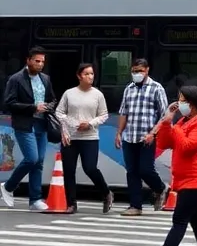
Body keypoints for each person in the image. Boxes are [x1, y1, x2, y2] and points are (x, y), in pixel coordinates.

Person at [138, 85, 197, 246]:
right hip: (184, 179)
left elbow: (186, 146)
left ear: (194, 103)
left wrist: (174, 127)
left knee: (180, 220)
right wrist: (167, 123)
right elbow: (166, 143)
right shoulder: (183, 121)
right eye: (179, 100)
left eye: (183, 100)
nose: (180, 103)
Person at [1, 46, 57, 211]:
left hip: (42, 124)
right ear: (28, 60)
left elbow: (53, 98)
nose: (40, 64)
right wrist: (33, 108)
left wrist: (48, 106)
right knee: (31, 159)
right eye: (37, 61)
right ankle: (8, 186)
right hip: (25, 124)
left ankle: (35, 199)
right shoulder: (16, 79)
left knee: (38, 162)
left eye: (42, 62)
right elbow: (9, 103)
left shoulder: (45, 79)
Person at [55, 62, 114, 214]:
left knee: (90, 168)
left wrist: (90, 123)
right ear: (79, 76)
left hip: (90, 137)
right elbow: (59, 113)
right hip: (71, 137)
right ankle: (71, 203)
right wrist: (73, 124)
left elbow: (104, 115)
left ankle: (106, 192)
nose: (90, 76)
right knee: (69, 170)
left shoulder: (97, 94)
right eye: (86, 74)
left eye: (92, 74)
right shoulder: (69, 93)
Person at [115, 58, 169, 215]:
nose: (137, 74)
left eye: (140, 71)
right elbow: (123, 112)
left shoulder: (156, 88)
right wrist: (119, 132)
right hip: (129, 136)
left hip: (147, 137)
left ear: (147, 70)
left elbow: (165, 115)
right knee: (131, 171)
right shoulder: (129, 89)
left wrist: (153, 133)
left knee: (145, 169)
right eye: (134, 71)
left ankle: (161, 188)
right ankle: (135, 206)